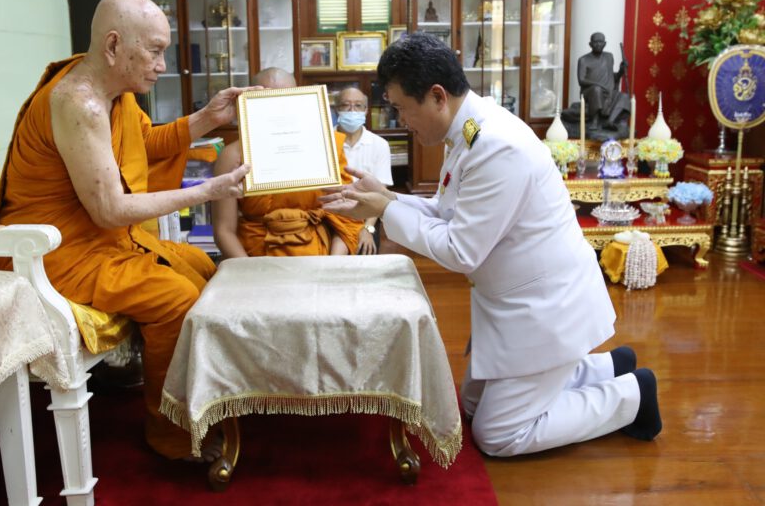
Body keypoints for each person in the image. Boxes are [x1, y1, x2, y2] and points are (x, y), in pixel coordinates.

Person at [321, 33, 662, 457]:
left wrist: (386, 213)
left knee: (499, 435)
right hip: (515, 302)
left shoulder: (495, 146)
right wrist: (388, 198)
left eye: (401, 108)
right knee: (473, 405)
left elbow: (461, 250)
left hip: (546, 308)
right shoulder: (470, 127)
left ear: (437, 96)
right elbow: (448, 210)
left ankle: (631, 395)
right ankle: (607, 366)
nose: (401, 119)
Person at [0, 0, 251, 461]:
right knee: (178, 300)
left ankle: (207, 399)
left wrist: (207, 118)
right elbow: (109, 211)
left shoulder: (113, 93)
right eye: (154, 50)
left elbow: (144, 142)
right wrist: (206, 193)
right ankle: (169, 431)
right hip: (56, 253)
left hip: (99, 240)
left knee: (202, 267)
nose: (162, 64)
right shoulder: (79, 102)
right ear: (113, 46)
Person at [213, 68, 362, 259]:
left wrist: (332, 263)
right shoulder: (233, 155)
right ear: (248, 102)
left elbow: (345, 218)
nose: (278, 108)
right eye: (267, 100)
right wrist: (249, 272)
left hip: (318, 253)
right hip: (256, 256)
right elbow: (224, 230)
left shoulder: (325, 145)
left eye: (286, 99)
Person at [333, 87, 393, 255]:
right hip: (331, 214)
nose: (352, 111)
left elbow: (381, 193)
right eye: (346, 105)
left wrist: (368, 228)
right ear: (337, 109)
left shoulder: (379, 145)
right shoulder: (326, 141)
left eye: (358, 106)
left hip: (367, 214)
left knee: (366, 252)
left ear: (366, 110)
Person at [561, 32, 631, 141]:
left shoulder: (609, 57)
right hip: (589, 92)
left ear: (605, 44)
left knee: (625, 97)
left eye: (601, 42)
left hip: (607, 92)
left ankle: (610, 121)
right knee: (596, 90)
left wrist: (622, 70)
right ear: (590, 44)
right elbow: (581, 80)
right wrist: (598, 84)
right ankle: (594, 120)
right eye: (595, 42)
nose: (598, 44)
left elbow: (613, 77)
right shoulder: (584, 60)